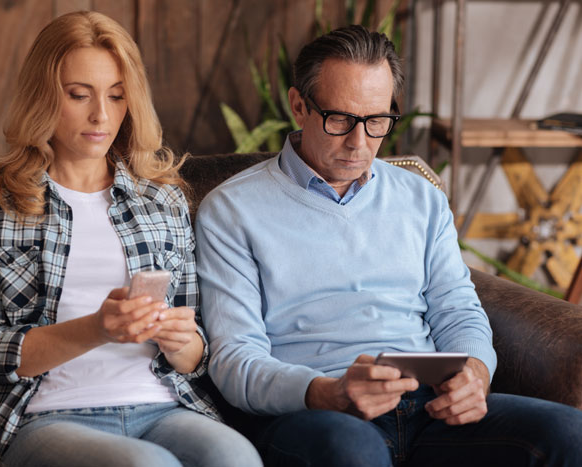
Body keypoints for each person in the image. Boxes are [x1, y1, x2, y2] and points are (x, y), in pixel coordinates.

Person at [195, 25, 582, 466]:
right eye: (339, 119)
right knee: (351, 450)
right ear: (299, 106)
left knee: (568, 434)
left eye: (377, 121)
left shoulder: (421, 198)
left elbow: (457, 309)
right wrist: (327, 392)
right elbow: (234, 358)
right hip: (318, 412)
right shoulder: (231, 210)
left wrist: (475, 372)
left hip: (429, 407)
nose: (359, 144)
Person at [0, 11, 261, 467]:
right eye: (79, 95)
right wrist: (97, 328)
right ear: (43, 95)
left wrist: (182, 341)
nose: (102, 115)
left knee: (236, 456)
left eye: (117, 96)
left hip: (162, 404)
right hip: (48, 417)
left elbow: (196, 356)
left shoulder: (162, 200)